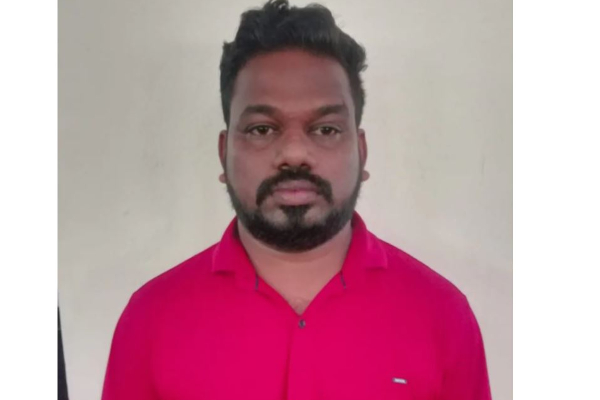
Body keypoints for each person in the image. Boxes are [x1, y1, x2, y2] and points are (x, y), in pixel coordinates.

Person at [101, 1, 492, 399]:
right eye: (261, 129)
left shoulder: (442, 315)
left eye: (325, 129)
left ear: (362, 153)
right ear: (223, 155)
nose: (293, 153)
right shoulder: (150, 319)